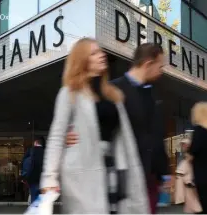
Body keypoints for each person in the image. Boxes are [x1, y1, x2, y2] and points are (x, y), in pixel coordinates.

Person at [40, 38, 149, 214]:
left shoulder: (113, 94)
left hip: (112, 169)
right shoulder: (69, 93)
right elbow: (56, 136)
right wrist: (49, 178)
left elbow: (123, 136)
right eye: (94, 53)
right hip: (81, 174)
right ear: (82, 60)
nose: (101, 55)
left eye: (100, 51)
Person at [66, 43, 170, 214]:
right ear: (148, 64)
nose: (161, 71)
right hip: (122, 173)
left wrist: (164, 172)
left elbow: (157, 134)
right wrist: (68, 134)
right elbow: (86, 119)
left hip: (149, 177)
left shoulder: (154, 95)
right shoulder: (112, 90)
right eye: (160, 66)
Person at [22, 138, 44, 203]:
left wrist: (25, 177)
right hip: (43, 180)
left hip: (33, 180)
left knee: (34, 198)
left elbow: (25, 163)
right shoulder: (46, 152)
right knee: (42, 199)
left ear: (35, 143)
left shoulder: (31, 151)